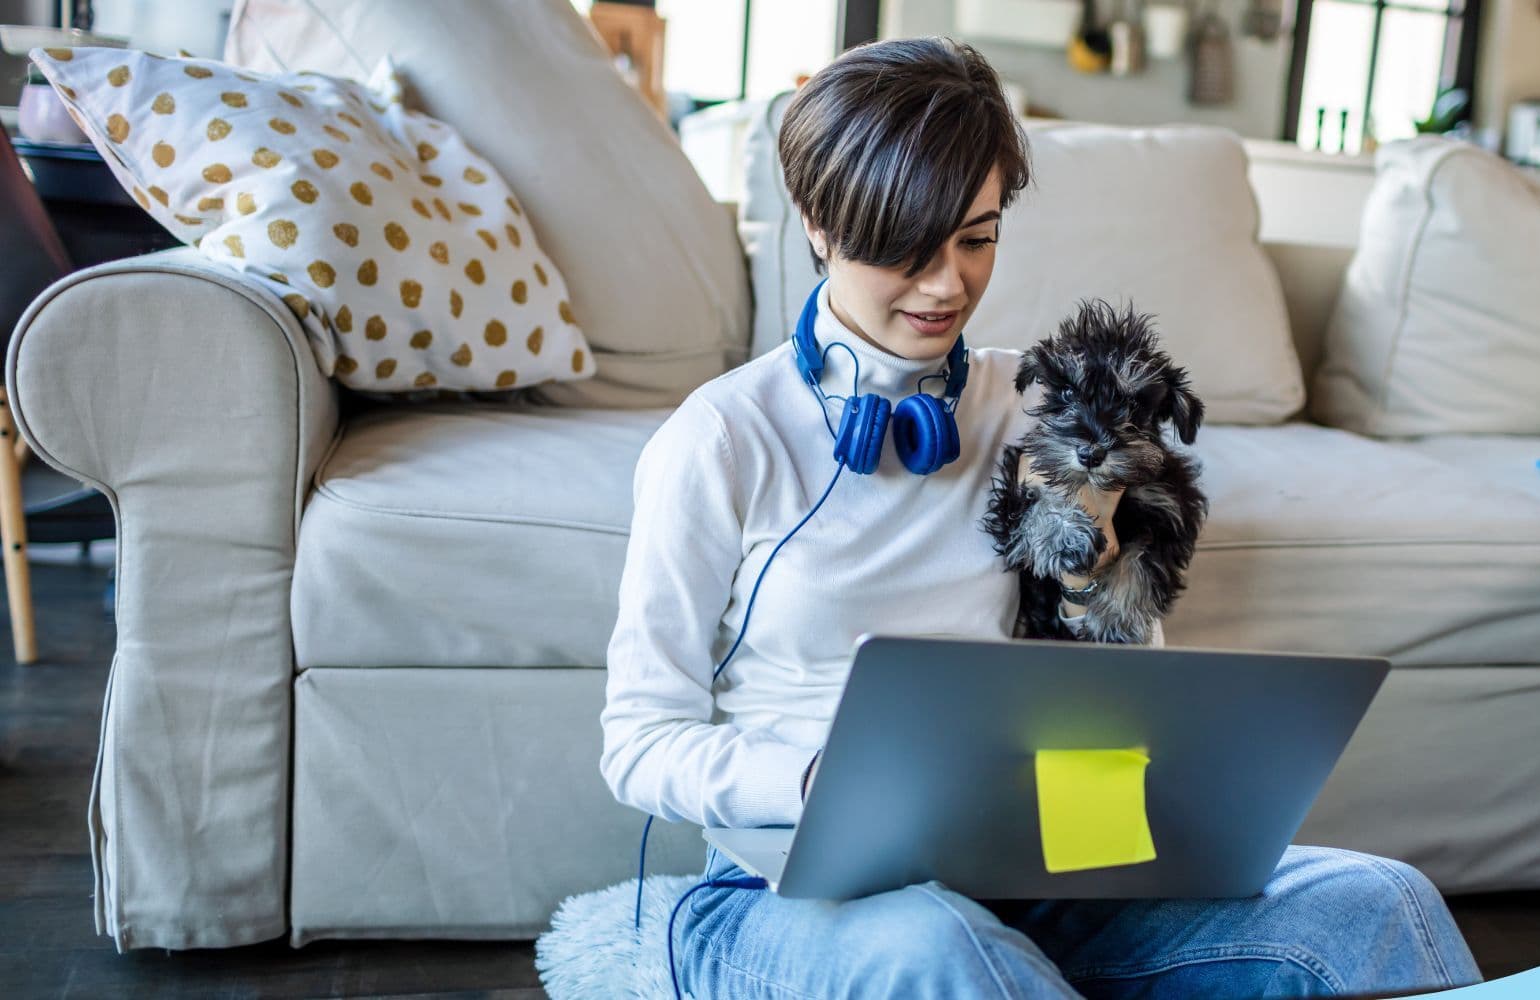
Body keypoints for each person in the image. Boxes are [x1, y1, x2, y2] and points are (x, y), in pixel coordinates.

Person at [600, 36, 1483, 998]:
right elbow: (641, 741)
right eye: (908, 245)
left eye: (976, 240)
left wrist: (1102, 583)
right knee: (942, 953)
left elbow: (1119, 678)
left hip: (1033, 869)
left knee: (1381, 902)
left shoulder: (1043, 409)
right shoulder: (723, 437)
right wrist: (820, 783)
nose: (947, 285)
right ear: (817, 222)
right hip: (793, 889)